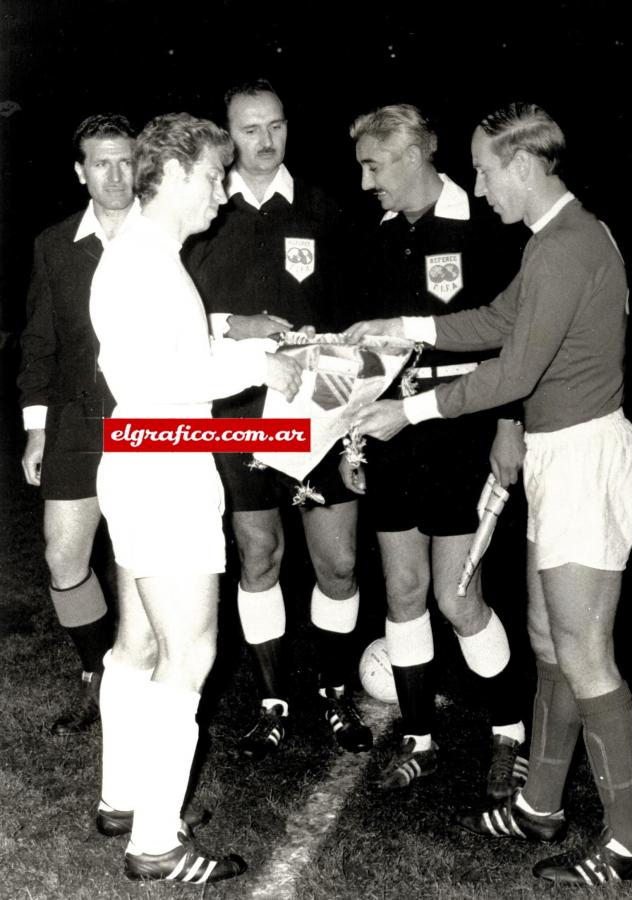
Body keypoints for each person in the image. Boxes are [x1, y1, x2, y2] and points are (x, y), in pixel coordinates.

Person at [345, 102, 632, 886]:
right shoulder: (556, 239)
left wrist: (405, 410)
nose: (477, 186)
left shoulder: (563, 248)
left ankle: (627, 844)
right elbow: (490, 318)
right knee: (549, 644)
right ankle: (539, 806)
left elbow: (513, 372)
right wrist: (402, 323)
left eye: (484, 170)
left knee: (586, 656)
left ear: (522, 165)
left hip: (584, 459)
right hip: (557, 455)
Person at [90, 112, 302, 884]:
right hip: (162, 467)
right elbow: (170, 388)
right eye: (213, 174)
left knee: (139, 646)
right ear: (176, 173)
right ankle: (154, 842)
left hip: (143, 461)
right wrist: (261, 370)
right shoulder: (148, 263)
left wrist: (250, 358)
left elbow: (177, 361)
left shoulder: (147, 255)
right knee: (192, 653)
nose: (222, 187)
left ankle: (125, 798)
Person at [342, 104, 529, 798]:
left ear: (414, 153)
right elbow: (367, 351)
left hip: (463, 430)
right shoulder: (380, 239)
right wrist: (351, 431)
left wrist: (509, 422)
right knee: (403, 591)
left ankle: (510, 731)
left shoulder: (485, 228)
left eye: (373, 165)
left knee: (458, 596)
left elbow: (516, 337)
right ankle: (419, 738)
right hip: (392, 432)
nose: (366, 183)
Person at [185, 80, 372, 761]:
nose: (265, 140)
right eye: (249, 128)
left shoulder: (325, 210)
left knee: (340, 561)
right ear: (227, 134)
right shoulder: (205, 216)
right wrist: (238, 328)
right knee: (258, 554)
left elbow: (359, 320)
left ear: (288, 128)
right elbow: (179, 320)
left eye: (276, 126)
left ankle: (332, 690)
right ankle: (272, 702)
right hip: (238, 413)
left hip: (319, 412)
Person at [17, 113, 139, 735]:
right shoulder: (54, 243)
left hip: (147, 421)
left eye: (126, 160)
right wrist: (36, 427)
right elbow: (39, 342)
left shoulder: (165, 235)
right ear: (80, 172)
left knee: (138, 559)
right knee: (64, 556)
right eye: (101, 162)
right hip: (75, 419)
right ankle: (100, 674)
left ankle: (142, 678)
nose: (116, 175)